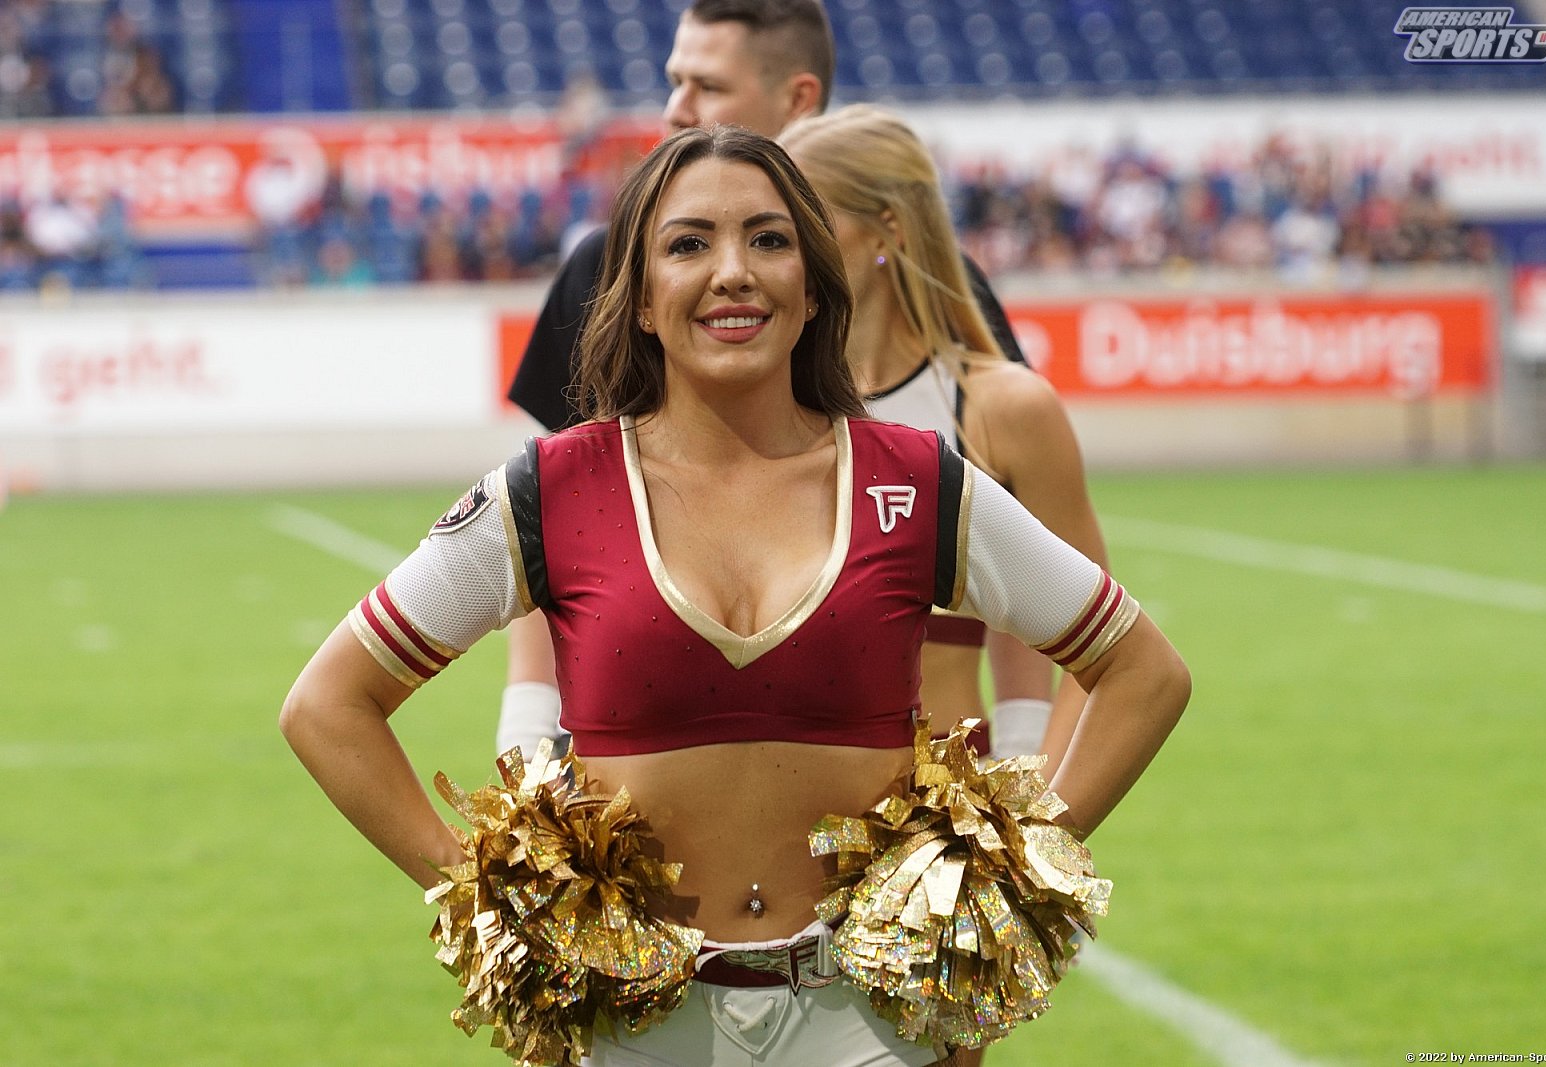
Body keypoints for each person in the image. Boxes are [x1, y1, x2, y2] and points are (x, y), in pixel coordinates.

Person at [281, 125, 1191, 1066]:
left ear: (812, 285)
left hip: (870, 1024)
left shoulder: (917, 479)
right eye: (688, 244)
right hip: (636, 1025)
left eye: (768, 239)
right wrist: (491, 899)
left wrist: (1007, 879)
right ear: (639, 297)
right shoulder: (549, 489)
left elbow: (1143, 671)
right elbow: (327, 704)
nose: (733, 273)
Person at [496, 0, 1051, 767]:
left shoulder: (936, 306)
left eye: (708, 86)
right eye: (686, 248)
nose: (676, 108)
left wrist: (1024, 783)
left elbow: (1052, 604)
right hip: (642, 781)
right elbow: (552, 531)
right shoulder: (608, 266)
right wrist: (526, 737)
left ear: (798, 99)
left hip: (898, 790)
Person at [781, 104, 1110, 781]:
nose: (781, 251)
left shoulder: (1004, 409)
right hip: (774, 816)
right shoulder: (754, 403)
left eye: (807, 222)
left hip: (939, 816)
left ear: (888, 229)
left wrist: (1029, 801)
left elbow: (1100, 650)